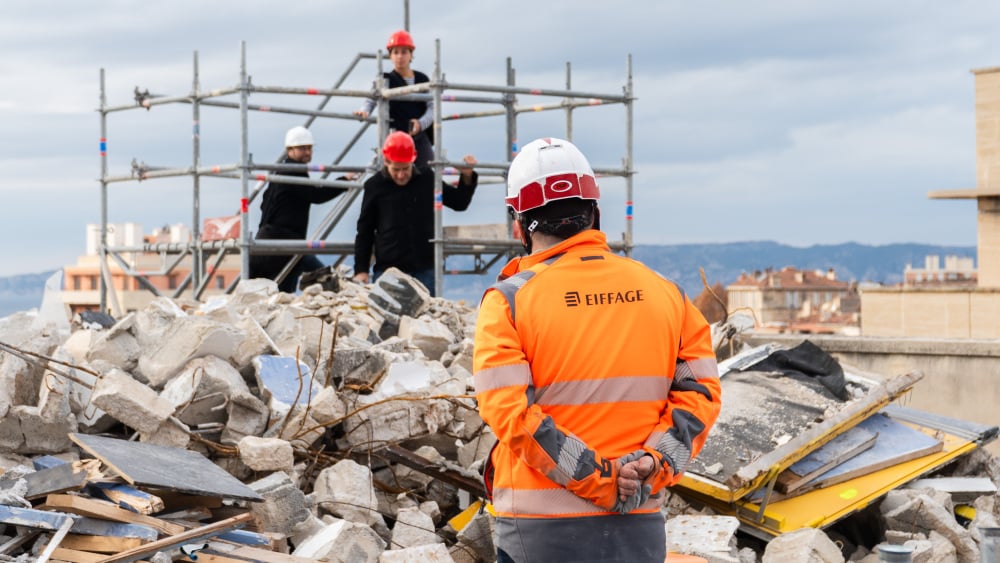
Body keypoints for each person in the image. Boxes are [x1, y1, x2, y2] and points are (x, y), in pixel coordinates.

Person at [473, 137, 722, 562]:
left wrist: (600, 477)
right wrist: (653, 465)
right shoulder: (667, 295)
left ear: (518, 224)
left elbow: (510, 415)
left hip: (539, 536)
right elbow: (700, 396)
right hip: (637, 527)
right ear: (596, 213)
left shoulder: (508, 303)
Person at [352, 131, 477, 295]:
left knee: (427, 318)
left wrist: (467, 177)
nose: (401, 175)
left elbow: (458, 203)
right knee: (386, 319)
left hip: (424, 269)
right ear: (386, 161)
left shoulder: (426, 179)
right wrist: (361, 270)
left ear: (413, 160)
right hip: (388, 270)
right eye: (396, 169)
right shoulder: (374, 186)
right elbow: (365, 232)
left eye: (405, 168)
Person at [251, 126, 346, 293]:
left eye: (309, 148)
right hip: (283, 242)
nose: (308, 152)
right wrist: (344, 181)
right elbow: (316, 195)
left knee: (278, 294)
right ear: (290, 150)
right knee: (324, 279)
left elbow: (264, 203)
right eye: (302, 148)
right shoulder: (294, 171)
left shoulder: (281, 170)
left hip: (269, 240)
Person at [353, 29, 435, 166]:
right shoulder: (385, 79)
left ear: (411, 55)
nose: (400, 56)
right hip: (395, 137)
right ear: (390, 56)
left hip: (419, 137)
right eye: (395, 52)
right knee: (396, 172)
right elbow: (371, 99)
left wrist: (420, 124)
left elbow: (432, 109)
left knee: (427, 174)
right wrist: (364, 111)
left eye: (404, 52)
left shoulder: (423, 79)